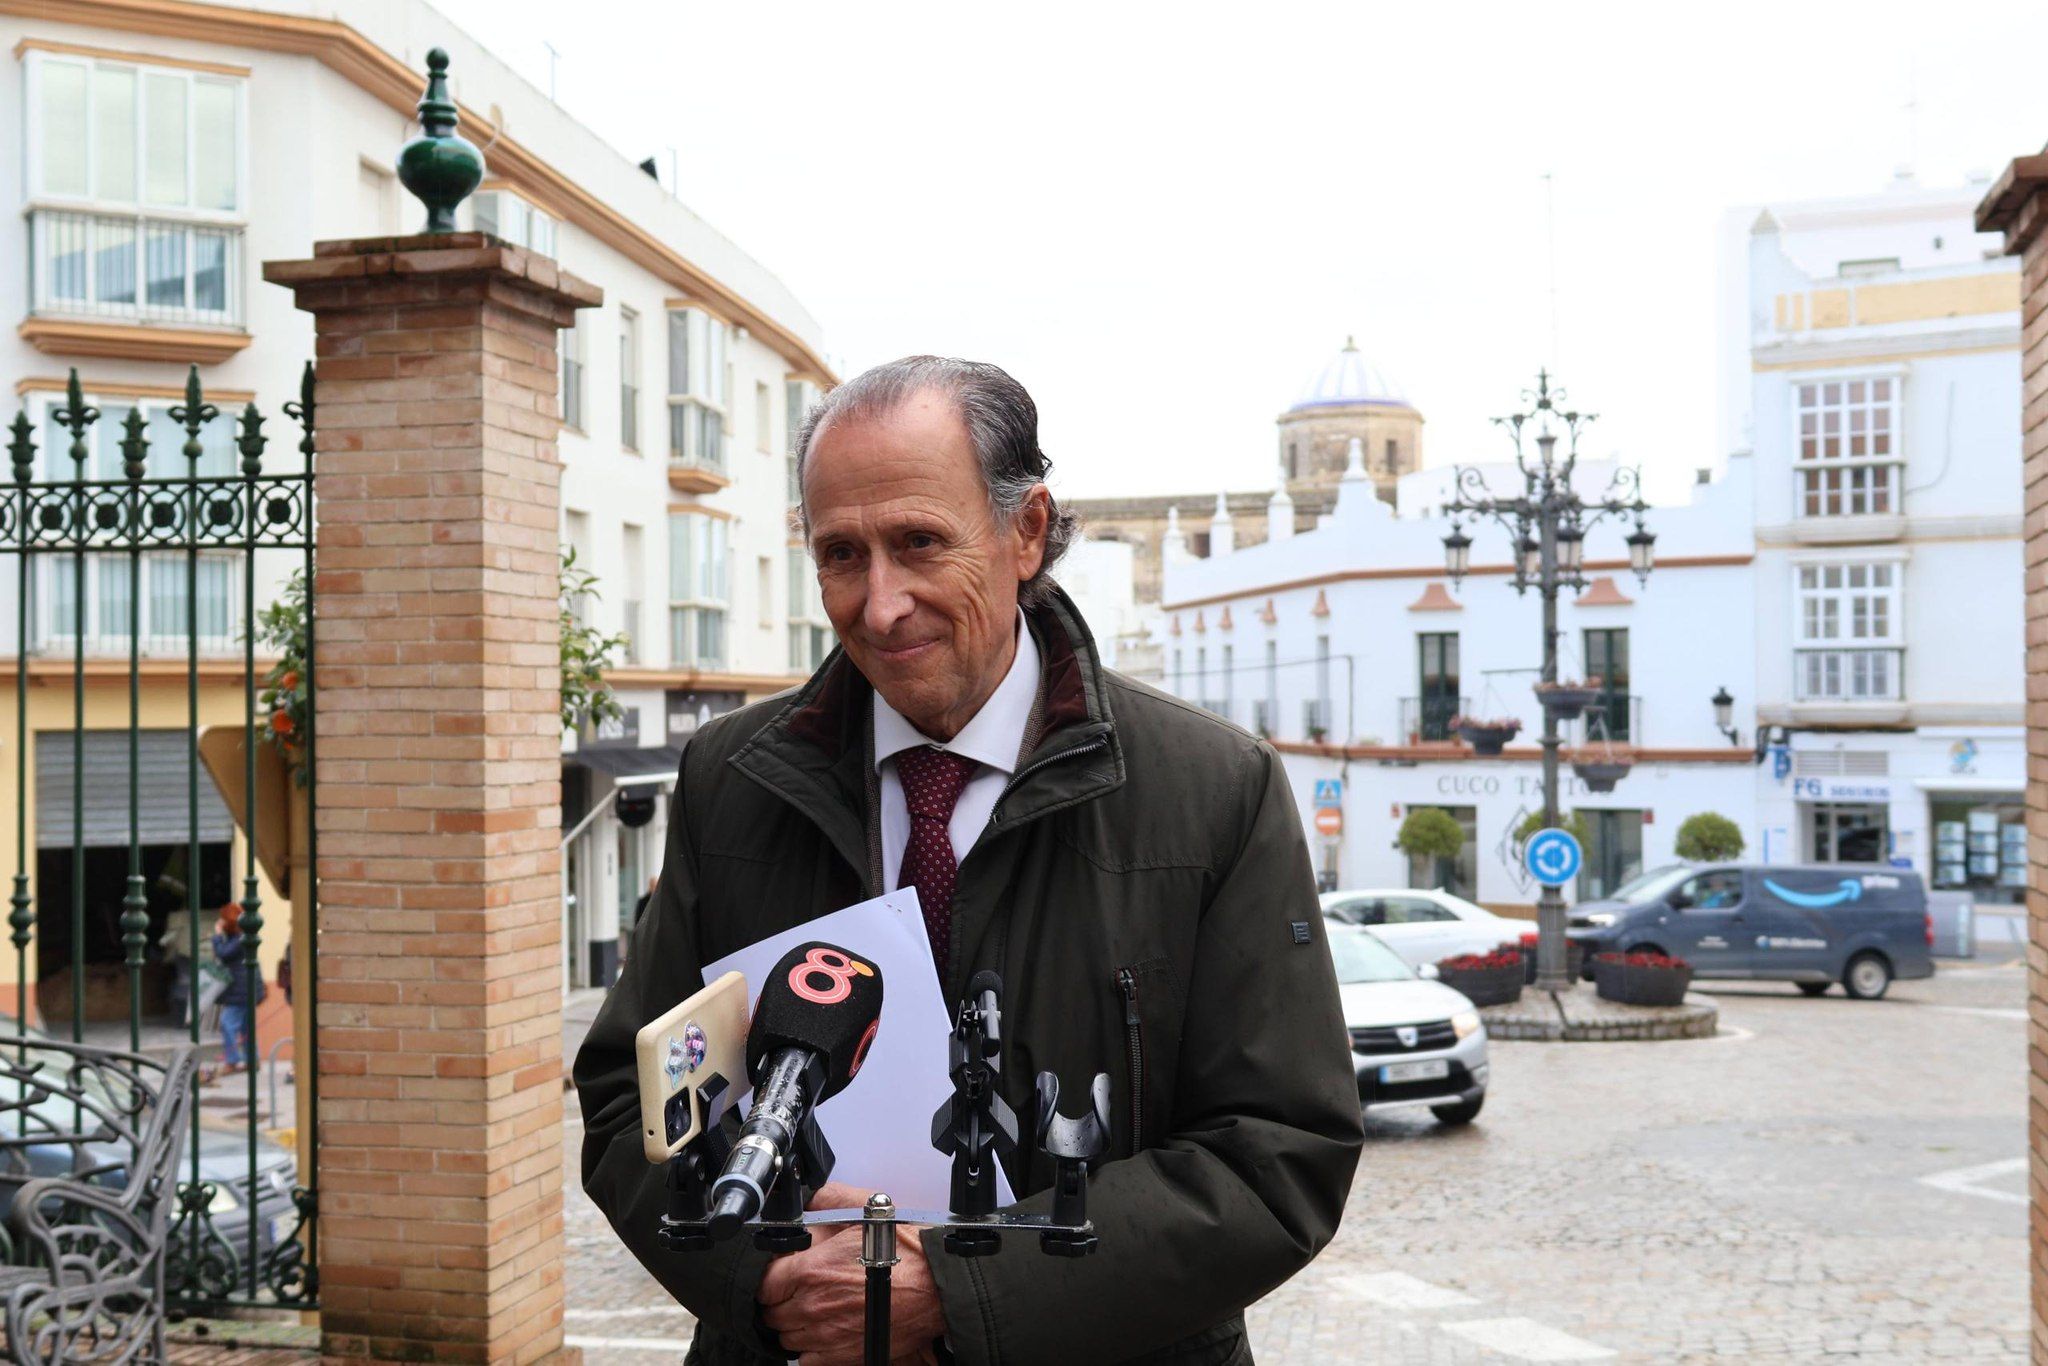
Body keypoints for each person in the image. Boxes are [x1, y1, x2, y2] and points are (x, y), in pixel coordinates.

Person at [575, 357, 1363, 1365]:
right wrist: (763, 1278)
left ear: (1025, 531)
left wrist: (960, 1294)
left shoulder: (1214, 789)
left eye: (917, 544)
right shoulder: (732, 778)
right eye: (840, 555)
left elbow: (1278, 1155)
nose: (880, 603)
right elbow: (627, 1099)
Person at [206, 903, 257, 1083]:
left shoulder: (239, 939)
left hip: (240, 990)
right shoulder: (241, 936)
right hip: (246, 989)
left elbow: (223, 954)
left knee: (227, 1023)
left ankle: (232, 1061)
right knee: (245, 1026)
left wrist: (218, 936)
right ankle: (252, 1060)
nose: (219, 921)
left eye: (222, 918)